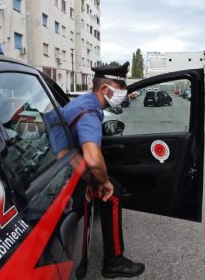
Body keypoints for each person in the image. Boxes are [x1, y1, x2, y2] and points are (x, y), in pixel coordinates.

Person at [53, 61, 145, 278]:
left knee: (111, 187)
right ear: (106, 89)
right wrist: (104, 183)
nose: (124, 93)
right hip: (61, 174)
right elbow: (93, 160)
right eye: (122, 87)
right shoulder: (89, 113)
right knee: (112, 195)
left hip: (60, 164)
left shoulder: (85, 102)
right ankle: (114, 262)